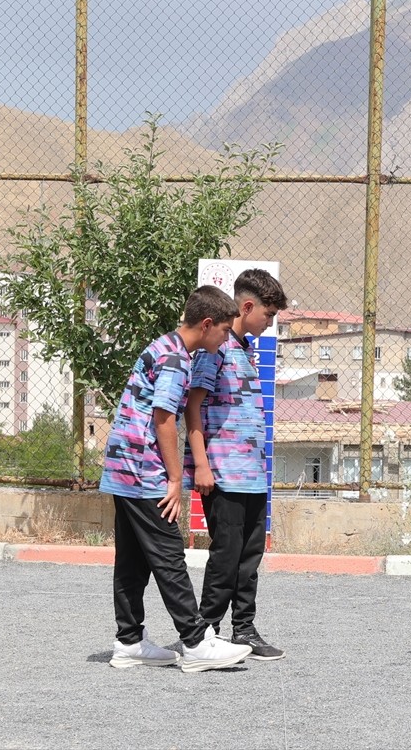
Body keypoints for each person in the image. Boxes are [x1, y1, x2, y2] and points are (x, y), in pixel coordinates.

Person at [100, 285, 254, 673]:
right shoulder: (175, 359)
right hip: (143, 471)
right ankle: (196, 641)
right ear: (206, 324)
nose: (225, 339)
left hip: (124, 468)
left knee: (134, 559)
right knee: (169, 554)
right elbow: (165, 418)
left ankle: (129, 641)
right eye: (223, 330)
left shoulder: (165, 346)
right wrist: (173, 480)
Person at [184, 269, 288, 661]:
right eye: (269, 315)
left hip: (253, 477)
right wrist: (202, 466)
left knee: (249, 557)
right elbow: (192, 407)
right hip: (224, 474)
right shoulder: (217, 348)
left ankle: (243, 628)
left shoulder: (245, 350)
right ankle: (203, 633)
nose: (271, 323)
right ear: (248, 306)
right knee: (225, 557)